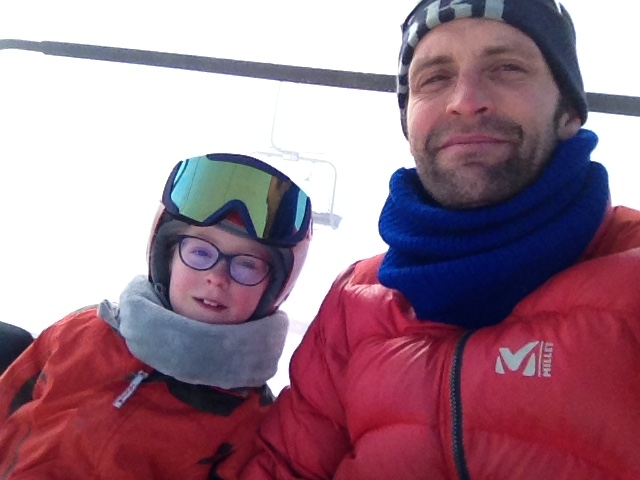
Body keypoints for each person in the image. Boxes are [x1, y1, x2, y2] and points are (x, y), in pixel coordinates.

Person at [241, 1, 640, 478]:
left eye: (507, 68)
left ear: (569, 110)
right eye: (434, 78)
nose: (466, 100)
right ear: (408, 121)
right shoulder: (357, 299)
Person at [0, 152, 312, 479]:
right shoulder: (84, 332)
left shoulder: (251, 421)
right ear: (167, 257)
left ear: (273, 288)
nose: (217, 277)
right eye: (200, 252)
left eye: (247, 265)